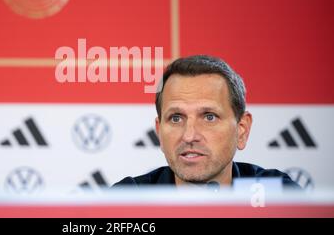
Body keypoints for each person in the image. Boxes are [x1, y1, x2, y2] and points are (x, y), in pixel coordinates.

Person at [113, 55, 300, 189]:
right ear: (159, 132)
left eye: (209, 117)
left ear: (241, 130)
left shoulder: (278, 195)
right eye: (176, 118)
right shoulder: (126, 201)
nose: (189, 136)